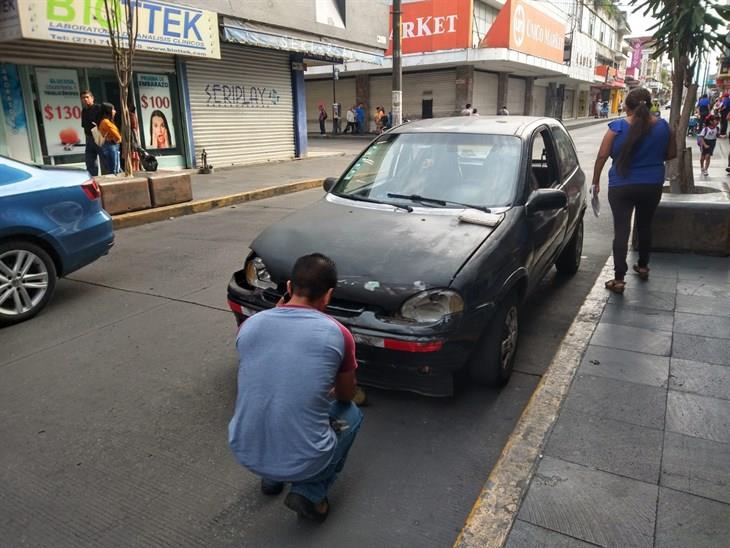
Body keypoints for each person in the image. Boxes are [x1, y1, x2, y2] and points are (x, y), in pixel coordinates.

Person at [228, 253, 363, 523]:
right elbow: (347, 395)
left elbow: (270, 371)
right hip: (305, 459)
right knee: (351, 414)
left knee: (274, 393)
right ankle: (310, 492)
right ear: (328, 296)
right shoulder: (337, 333)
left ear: (289, 287)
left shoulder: (251, 325)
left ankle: (272, 478)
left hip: (244, 448)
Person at [592, 88, 676, 294]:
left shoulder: (617, 127)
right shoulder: (663, 127)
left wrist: (595, 182)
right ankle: (643, 266)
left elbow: (602, 156)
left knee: (621, 231)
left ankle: (619, 279)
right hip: (652, 184)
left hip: (621, 185)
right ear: (649, 105)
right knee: (645, 225)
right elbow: (672, 153)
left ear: (627, 107)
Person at [80, 90, 102, 175]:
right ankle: (93, 179)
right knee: (90, 162)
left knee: (105, 160)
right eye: (83, 98)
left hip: (99, 136)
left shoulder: (98, 108)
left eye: (87, 97)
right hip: (89, 138)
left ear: (92, 98)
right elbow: (84, 125)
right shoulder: (84, 111)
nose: (85, 99)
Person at [98, 102, 121, 175]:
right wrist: (120, 139)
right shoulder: (106, 122)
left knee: (115, 168)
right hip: (111, 146)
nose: (115, 111)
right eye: (113, 109)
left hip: (110, 146)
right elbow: (117, 136)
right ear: (109, 111)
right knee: (114, 169)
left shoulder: (106, 121)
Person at [128, 100, 141, 172]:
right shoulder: (134, 115)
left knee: (133, 150)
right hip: (135, 133)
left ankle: (134, 167)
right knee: (135, 150)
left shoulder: (131, 115)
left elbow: (133, 125)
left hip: (133, 134)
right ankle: (136, 167)